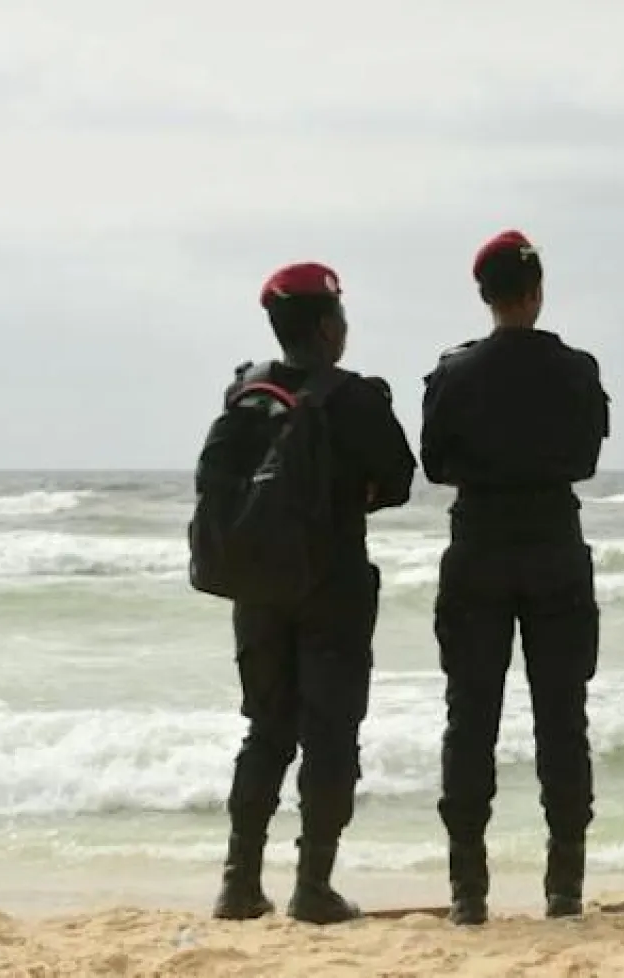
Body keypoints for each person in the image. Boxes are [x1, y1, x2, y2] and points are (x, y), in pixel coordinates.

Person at [212, 261, 417, 924]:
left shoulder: (247, 392)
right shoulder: (356, 398)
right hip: (333, 585)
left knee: (265, 731)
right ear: (329, 327)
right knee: (331, 738)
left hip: (257, 590)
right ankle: (312, 885)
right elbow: (398, 480)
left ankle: (239, 882)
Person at [420, 230, 610, 925]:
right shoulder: (577, 369)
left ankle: (468, 892)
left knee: (470, 719)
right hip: (555, 543)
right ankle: (564, 887)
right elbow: (586, 460)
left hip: (478, 545)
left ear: (485, 295)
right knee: (563, 718)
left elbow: (435, 466)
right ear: (536, 292)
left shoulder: (453, 373)